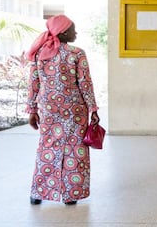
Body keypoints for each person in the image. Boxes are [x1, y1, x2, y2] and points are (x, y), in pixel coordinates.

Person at [25, 14, 100, 205]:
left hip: (49, 109)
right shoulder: (77, 53)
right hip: (75, 110)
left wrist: (32, 109)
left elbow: (33, 83)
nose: (76, 32)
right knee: (75, 149)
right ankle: (70, 194)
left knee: (47, 147)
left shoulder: (39, 53)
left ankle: (39, 192)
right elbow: (85, 83)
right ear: (64, 32)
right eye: (73, 29)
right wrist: (93, 108)